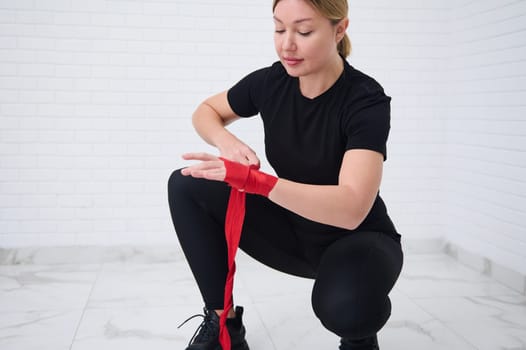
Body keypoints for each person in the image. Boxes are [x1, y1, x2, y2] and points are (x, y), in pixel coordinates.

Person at [168, 0, 403, 349]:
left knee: (348, 310)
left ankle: (360, 333)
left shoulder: (365, 101)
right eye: (279, 28)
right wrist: (226, 141)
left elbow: (352, 208)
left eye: (303, 31)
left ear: (340, 30)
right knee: (188, 184)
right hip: (294, 232)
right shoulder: (270, 82)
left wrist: (257, 182)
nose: (286, 44)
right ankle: (223, 324)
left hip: (358, 240)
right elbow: (206, 111)